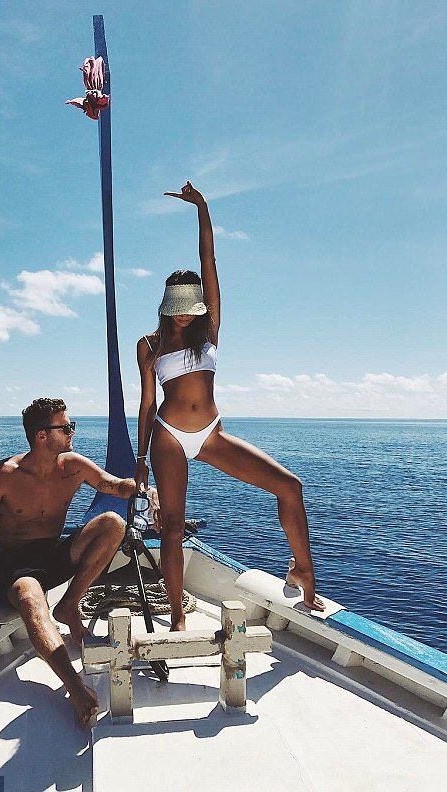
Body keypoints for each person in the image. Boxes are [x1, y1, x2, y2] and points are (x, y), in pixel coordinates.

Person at [135, 181, 325, 631]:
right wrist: (140, 461)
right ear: (165, 305)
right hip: (167, 437)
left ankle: (303, 571)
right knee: (173, 527)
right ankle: (177, 615)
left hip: (211, 434)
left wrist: (201, 208)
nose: (185, 313)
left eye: (191, 305)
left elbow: (210, 261)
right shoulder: (149, 344)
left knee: (290, 486)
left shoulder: (211, 329)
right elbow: (146, 404)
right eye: (177, 306)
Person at [0, 397, 160, 728]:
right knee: (30, 596)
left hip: (52, 555)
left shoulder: (73, 466)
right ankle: (74, 686)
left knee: (113, 523)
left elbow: (112, 485)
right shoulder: (5, 475)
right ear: (41, 436)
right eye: (66, 427)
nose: (72, 432)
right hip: (14, 567)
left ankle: (69, 605)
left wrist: (145, 491)